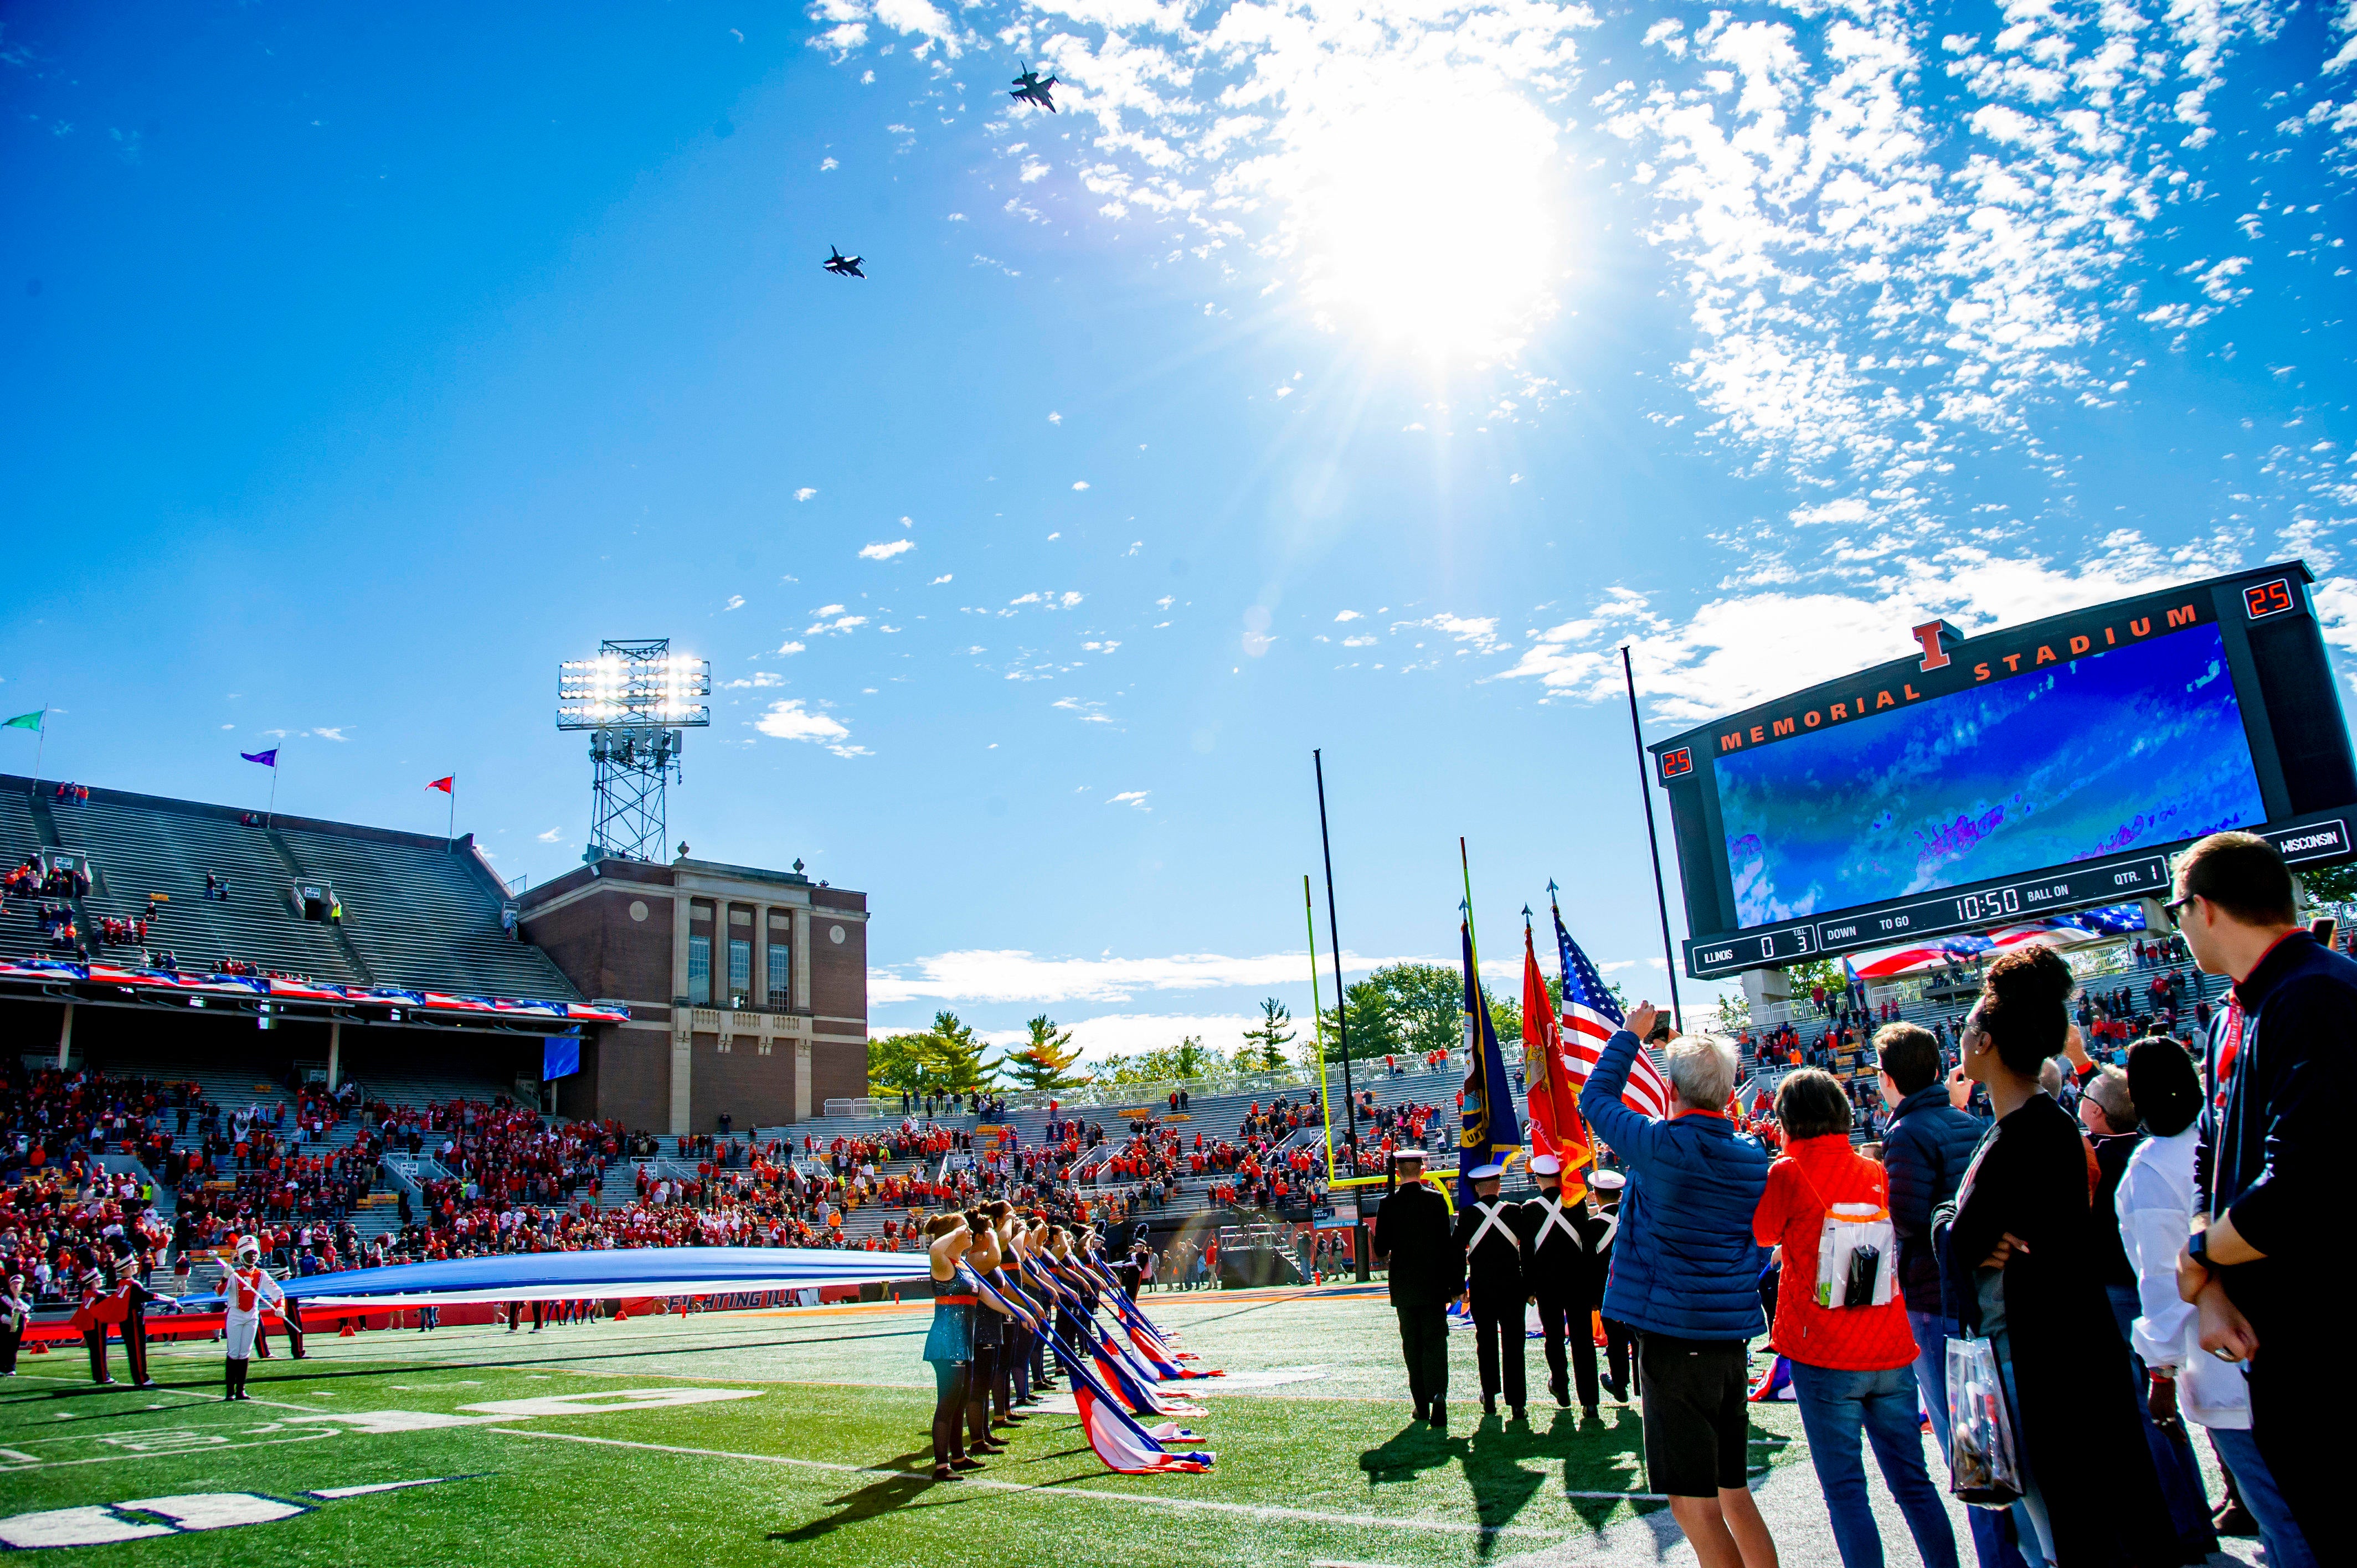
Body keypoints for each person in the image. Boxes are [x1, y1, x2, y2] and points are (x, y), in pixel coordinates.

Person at [1936, 947, 2176, 1566]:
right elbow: (1964, 1232)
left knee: (2067, 1539)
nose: (1958, 1041)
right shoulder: (2041, 1125)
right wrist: (1957, 1227)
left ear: (1985, 1043)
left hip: (2039, 1361)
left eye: (1965, 1030)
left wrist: (1952, 1228)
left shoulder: (2025, 1135)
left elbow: (1960, 1241)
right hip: (2062, 1352)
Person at [2167, 831, 2354, 1565]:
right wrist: (2209, 1282)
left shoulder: (2315, 993)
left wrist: (2196, 1254)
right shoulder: (2233, 1012)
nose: (2177, 925)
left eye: (2176, 908)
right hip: (2277, 1337)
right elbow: (2213, 1161)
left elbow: (2304, 1186)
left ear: (2204, 908)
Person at [1581, 1004, 1777, 1568]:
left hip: (1674, 1339)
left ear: (1672, 1091)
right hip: (1727, 1342)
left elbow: (1594, 1101)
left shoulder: (1662, 1146)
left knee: (1692, 1505)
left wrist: (1628, 1036)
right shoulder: (1750, 1158)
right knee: (1732, 1492)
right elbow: (1759, 1242)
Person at [2116, 1038, 2314, 1568]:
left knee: (2280, 1517)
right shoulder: (2232, 1129)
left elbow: (2161, 1280)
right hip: (2277, 1330)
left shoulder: (2149, 1169)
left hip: (2219, 1356)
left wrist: (2160, 1370)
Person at [1752, 1069, 1958, 1568]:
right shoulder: (1875, 1172)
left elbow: (1763, 1234)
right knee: (1914, 1482)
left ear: (1789, 1121)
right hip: (1887, 1343)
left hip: (1823, 1350)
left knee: (1846, 1492)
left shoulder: (1788, 1171)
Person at [1878, 1023, 2024, 1568]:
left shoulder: (1906, 1134)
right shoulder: (1965, 1122)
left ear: (1889, 1079)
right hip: (1973, 1294)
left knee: (1968, 1447)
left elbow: (1910, 1218)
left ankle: (1997, 1558)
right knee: (1995, 1431)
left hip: (1932, 1297)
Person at [2081, 1064, 2214, 1559]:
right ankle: (2195, 1515)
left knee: (2146, 1412)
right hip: (2148, 1288)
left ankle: (2182, 1524)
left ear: (2098, 1112)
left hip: (2124, 1292)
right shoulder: (2150, 1150)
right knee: (2166, 1416)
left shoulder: (2115, 1158)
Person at [1371, 1146, 1460, 1430]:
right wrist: (1454, 1285)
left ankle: (1421, 1406)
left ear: (1398, 1173)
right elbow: (1447, 1248)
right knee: (1435, 1343)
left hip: (1405, 1288)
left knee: (1412, 1346)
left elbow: (1380, 1250)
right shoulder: (1436, 1201)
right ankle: (1438, 1395)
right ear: (1422, 1170)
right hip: (1434, 1286)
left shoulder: (1388, 1205)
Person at [1519, 1151, 1603, 1415]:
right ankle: (1589, 1400)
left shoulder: (1529, 1210)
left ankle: (1561, 1387)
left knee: (1553, 1338)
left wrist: (1528, 1287)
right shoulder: (1577, 1204)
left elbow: (1527, 1254)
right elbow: (1588, 1248)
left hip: (1546, 1285)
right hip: (1577, 1282)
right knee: (1582, 1340)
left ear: (1538, 1179)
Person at [1454, 1159, 1526, 1421]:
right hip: (1512, 1287)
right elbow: (1527, 1251)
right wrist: (1529, 1287)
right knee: (1514, 1343)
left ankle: (1490, 1397)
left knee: (1486, 1342)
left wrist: (1459, 1287)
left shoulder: (1468, 1215)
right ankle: (1517, 1402)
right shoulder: (1515, 1211)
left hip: (1483, 1288)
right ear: (1498, 1185)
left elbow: (1456, 1253)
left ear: (1476, 1189)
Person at [921, 1213, 981, 1479]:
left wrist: (1022, 1311)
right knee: (948, 1403)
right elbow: (934, 1247)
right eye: (964, 1230)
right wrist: (956, 1231)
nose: (970, 1232)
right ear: (951, 1235)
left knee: (961, 1401)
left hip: (964, 1343)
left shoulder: (964, 1265)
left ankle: (958, 1457)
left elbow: (988, 1296)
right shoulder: (941, 1263)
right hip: (946, 1345)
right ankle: (941, 1466)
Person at [222, 1235, 286, 1401]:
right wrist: (225, 1277)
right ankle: (230, 1390)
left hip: (252, 1316)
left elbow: (277, 1292)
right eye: (248, 1253)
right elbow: (219, 1292)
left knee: (245, 1353)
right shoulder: (234, 1274)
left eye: (254, 1253)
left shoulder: (262, 1274)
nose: (252, 1256)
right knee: (234, 1352)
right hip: (235, 1315)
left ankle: (241, 1390)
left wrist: (280, 1306)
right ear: (242, 1255)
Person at [0, 1273, 27, 1376]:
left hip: (18, 1325)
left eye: (19, 1284)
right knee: (3, 1345)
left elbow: (29, 1310)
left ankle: (11, 1368)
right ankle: (2, 1367)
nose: (16, 1286)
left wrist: (18, 1299)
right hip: (4, 1324)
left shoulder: (25, 1297)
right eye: (14, 1284)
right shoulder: (3, 1297)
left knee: (13, 1346)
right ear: (10, 1285)